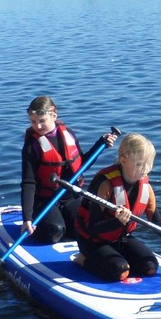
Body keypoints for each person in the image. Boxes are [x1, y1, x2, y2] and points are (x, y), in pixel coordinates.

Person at [73, 133, 161, 282]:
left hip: (120, 239)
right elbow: (93, 227)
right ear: (123, 159)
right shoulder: (105, 184)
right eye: (140, 164)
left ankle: (116, 261)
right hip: (92, 241)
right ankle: (82, 260)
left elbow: (157, 223)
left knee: (150, 267)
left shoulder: (146, 188)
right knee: (119, 271)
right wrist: (118, 221)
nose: (145, 170)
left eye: (149, 164)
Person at [20, 95, 117, 243]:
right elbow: (28, 183)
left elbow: (81, 165)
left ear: (54, 115)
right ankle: (46, 222)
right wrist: (26, 218)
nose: (37, 126)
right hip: (45, 200)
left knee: (84, 228)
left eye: (42, 121)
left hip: (70, 197)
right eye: (33, 122)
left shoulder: (68, 134)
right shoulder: (31, 146)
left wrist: (100, 144)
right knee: (55, 231)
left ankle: (65, 222)